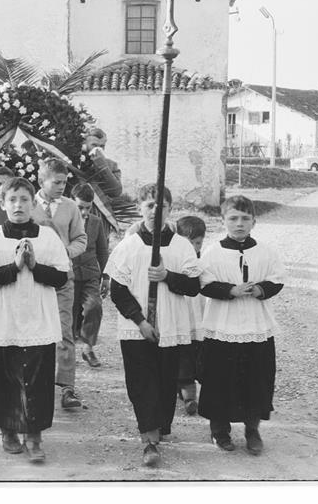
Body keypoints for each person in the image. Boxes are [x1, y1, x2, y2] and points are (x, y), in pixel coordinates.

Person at [0, 177, 69, 463]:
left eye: (24, 199)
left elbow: (61, 278)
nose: (18, 205)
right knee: (5, 377)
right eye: (12, 200)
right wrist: (14, 267)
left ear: (33, 203)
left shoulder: (47, 237)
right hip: (3, 319)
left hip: (38, 318)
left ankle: (34, 437)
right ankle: (8, 430)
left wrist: (35, 266)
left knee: (37, 380)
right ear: (2, 203)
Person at [105, 184, 201, 467]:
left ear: (170, 209)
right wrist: (140, 321)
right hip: (137, 329)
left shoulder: (181, 245)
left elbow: (193, 286)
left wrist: (167, 276)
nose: (155, 212)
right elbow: (118, 290)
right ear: (140, 208)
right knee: (141, 381)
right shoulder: (129, 246)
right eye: (149, 205)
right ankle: (148, 438)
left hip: (170, 326)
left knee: (164, 380)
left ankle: (159, 426)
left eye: (162, 207)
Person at [198, 195, 285, 455]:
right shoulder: (213, 252)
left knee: (256, 377)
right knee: (219, 377)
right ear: (223, 220)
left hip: (256, 325)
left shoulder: (265, 251)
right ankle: (219, 429)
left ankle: (252, 429)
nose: (239, 224)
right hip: (222, 325)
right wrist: (230, 290)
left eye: (245, 219)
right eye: (233, 218)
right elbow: (204, 283)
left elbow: (277, 278)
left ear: (254, 222)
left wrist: (260, 289)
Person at [30, 158, 88, 410]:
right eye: (56, 182)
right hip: (32, 278)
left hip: (63, 277)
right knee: (34, 330)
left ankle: (67, 388)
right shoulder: (27, 204)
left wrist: (66, 252)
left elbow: (81, 239)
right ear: (42, 181)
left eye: (65, 182)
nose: (62, 187)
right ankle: (35, 384)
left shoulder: (71, 207)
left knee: (65, 330)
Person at [70, 182, 110, 368]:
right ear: (71, 202)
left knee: (94, 307)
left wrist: (106, 277)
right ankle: (67, 351)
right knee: (69, 312)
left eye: (88, 207)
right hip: (69, 274)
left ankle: (88, 348)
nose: (85, 212)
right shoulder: (64, 221)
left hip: (90, 274)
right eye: (80, 207)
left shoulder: (96, 222)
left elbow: (102, 251)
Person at [174, 215, 207, 415]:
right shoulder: (174, 263)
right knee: (183, 357)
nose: (193, 248)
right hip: (181, 318)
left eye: (197, 243)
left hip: (200, 319)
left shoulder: (204, 262)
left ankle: (189, 391)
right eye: (189, 243)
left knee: (198, 355)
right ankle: (189, 397)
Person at [80, 127, 123, 200]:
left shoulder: (112, 165)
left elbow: (116, 191)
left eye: (102, 146)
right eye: (94, 145)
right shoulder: (78, 162)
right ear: (84, 144)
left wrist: (103, 166)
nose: (98, 149)